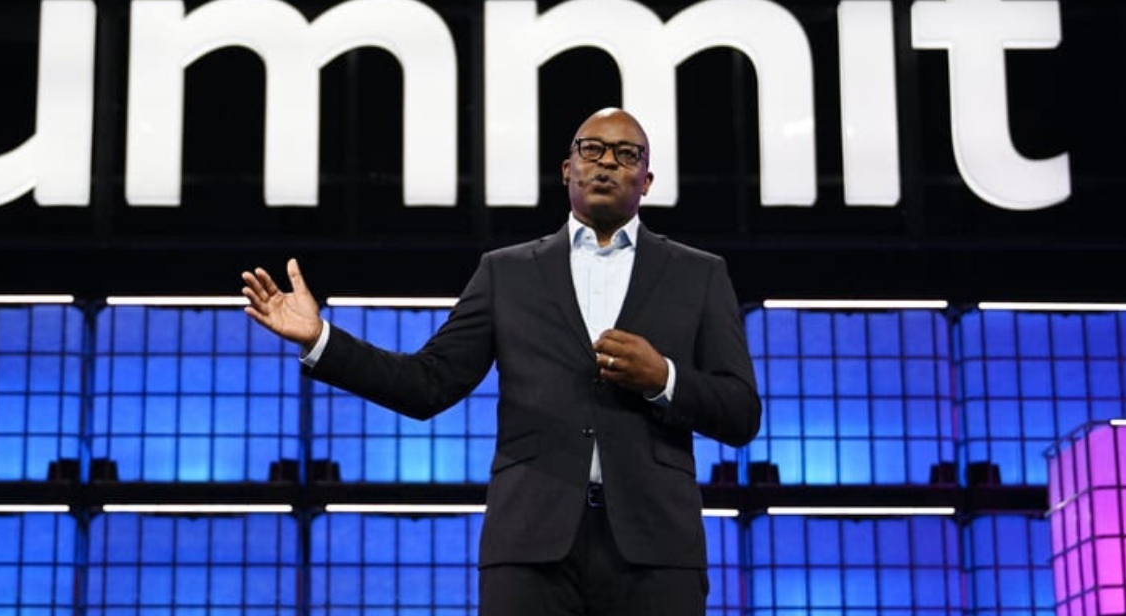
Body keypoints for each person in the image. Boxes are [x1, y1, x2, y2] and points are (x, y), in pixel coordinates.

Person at [241, 107, 760, 615]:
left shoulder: (699, 274)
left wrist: (663, 378)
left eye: (627, 154)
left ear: (647, 181)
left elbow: (741, 413)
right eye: (592, 149)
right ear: (567, 169)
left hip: (658, 550)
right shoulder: (506, 273)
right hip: (530, 547)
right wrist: (322, 339)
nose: (607, 162)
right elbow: (426, 384)